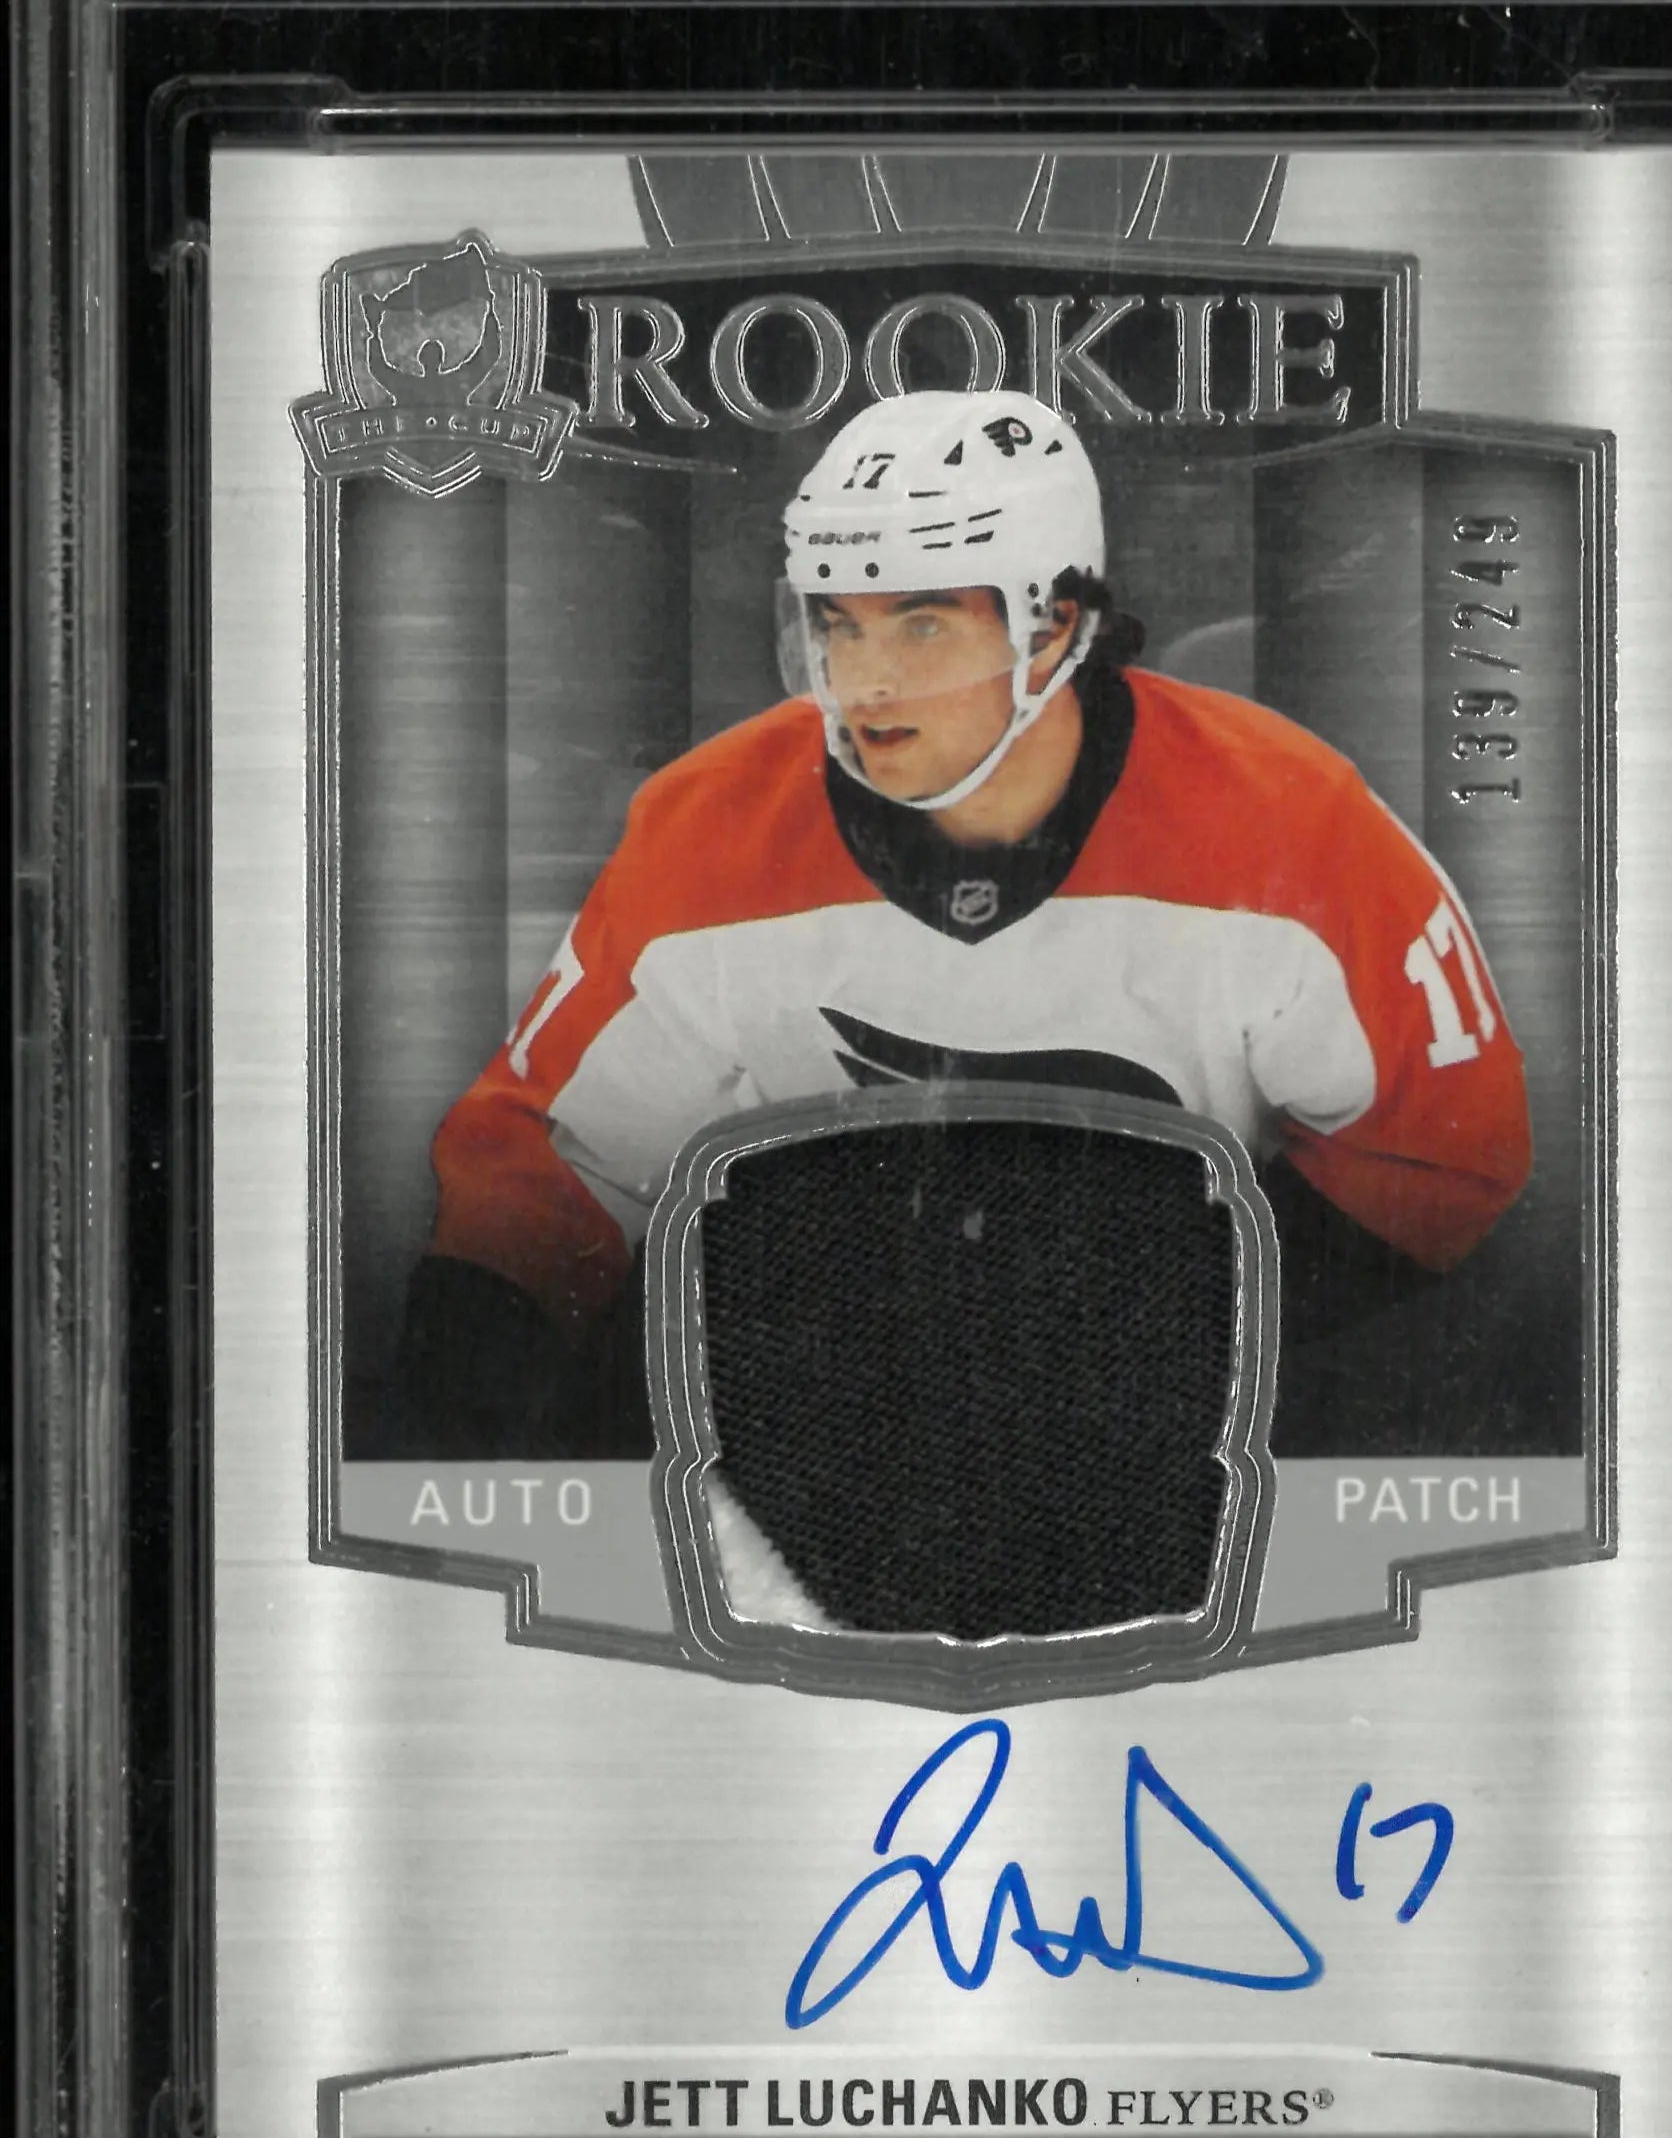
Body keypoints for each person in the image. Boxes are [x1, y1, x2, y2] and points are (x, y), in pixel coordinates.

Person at [398, 388, 1531, 1625]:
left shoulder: (1292, 826)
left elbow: (1443, 1150)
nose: (863, 681)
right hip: (808, 1451)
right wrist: (458, 1451)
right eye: (835, 626)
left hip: (1151, 1468)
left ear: (1053, 629)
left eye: (922, 624)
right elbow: (547, 1173)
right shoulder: (702, 833)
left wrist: (1164, 1334)